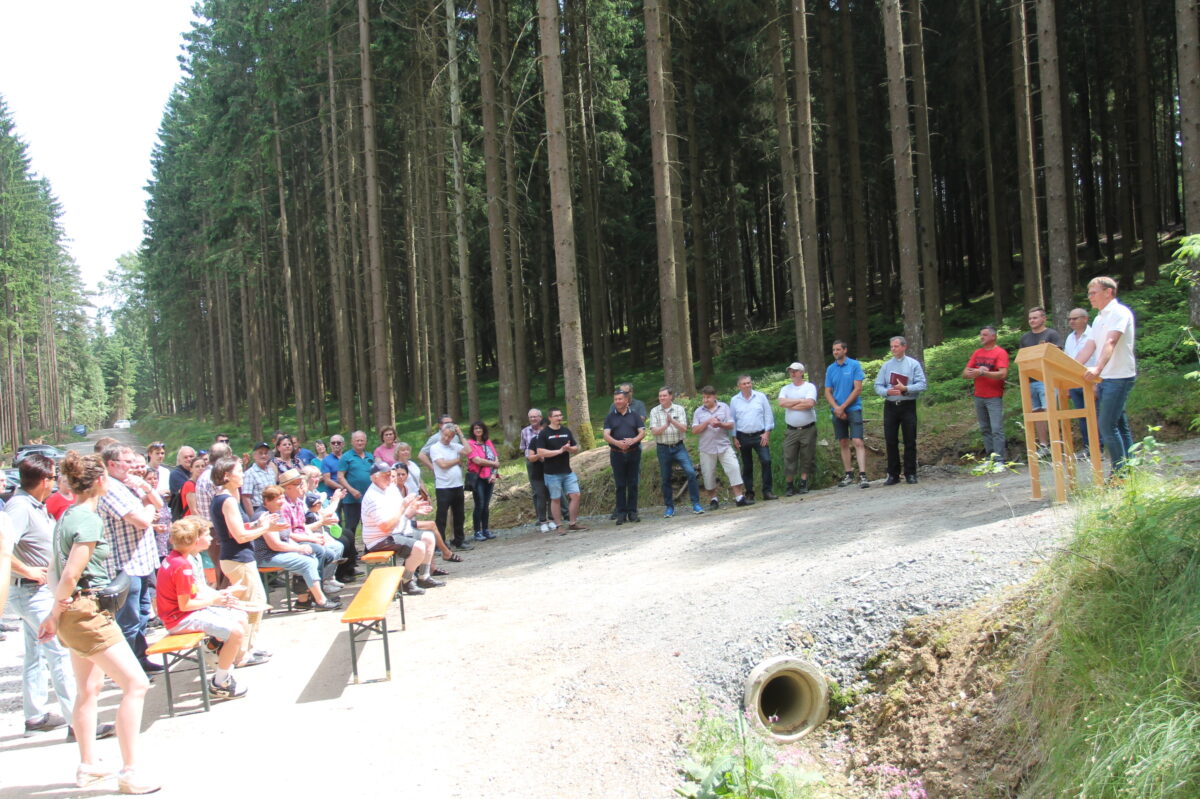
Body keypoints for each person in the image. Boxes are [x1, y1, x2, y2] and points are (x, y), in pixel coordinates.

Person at [37, 451, 159, 794]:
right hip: (84, 611)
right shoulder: (88, 519)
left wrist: (56, 614)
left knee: (88, 690)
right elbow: (70, 574)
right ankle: (131, 772)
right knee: (136, 685)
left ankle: (89, 766)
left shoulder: (68, 515)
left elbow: (53, 569)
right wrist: (55, 613)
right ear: (101, 481)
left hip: (75, 614)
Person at [4, 453, 85, 739]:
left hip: (38, 590)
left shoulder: (34, 505)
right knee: (59, 653)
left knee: (36, 654)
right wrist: (27, 570)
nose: (55, 482)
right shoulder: (19, 508)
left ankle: (35, 716)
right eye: (52, 477)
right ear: (42, 480)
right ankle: (79, 723)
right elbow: (2, 546)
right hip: (30, 592)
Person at [156, 517, 254, 699]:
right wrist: (216, 600)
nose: (211, 539)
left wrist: (223, 595)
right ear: (194, 541)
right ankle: (220, 682)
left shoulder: (181, 558)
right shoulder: (183, 566)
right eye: (207, 535)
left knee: (239, 616)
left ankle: (215, 650)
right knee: (236, 632)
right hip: (179, 619)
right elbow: (185, 605)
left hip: (183, 614)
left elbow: (196, 591)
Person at [97, 445, 165, 674]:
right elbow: (142, 520)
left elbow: (159, 504)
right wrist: (147, 507)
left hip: (142, 562)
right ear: (112, 465)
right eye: (127, 462)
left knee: (144, 613)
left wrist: (145, 486)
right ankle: (128, 670)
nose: (134, 466)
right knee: (129, 620)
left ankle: (141, 659)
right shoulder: (110, 488)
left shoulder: (130, 484)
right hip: (124, 566)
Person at [210, 455, 286, 660]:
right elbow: (239, 536)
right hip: (237, 559)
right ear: (227, 476)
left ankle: (248, 647)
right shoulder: (226, 500)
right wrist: (264, 528)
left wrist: (261, 523)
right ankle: (241, 653)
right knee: (252, 604)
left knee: (254, 602)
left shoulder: (228, 498)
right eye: (239, 471)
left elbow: (241, 528)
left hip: (239, 557)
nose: (243, 474)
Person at [1079, 276, 1137, 474]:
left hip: (1120, 376)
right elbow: (1090, 346)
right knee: (1119, 425)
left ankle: (1120, 474)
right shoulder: (1098, 318)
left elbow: (1110, 342)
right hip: (1106, 378)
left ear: (1108, 292)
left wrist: (1097, 369)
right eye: (1089, 293)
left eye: (1093, 293)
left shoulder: (1119, 312)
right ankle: (1129, 470)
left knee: (1106, 426)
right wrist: (1070, 368)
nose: (1090, 297)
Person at [361, 461, 443, 595]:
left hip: (396, 531)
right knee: (418, 547)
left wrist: (413, 509)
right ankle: (406, 581)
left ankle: (424, 576)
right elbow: (386, 527)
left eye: (390, 474)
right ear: (375, 478)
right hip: (380, 539)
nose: (390, 478)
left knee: (428, 537)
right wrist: (403, 507)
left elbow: (402, 516)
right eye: (386, 475)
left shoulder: (390, 489)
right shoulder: (372, 497)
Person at [255, 486, 341, 611]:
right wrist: (299, 549)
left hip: (279, 551)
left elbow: (286, 536)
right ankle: (320, 601)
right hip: (267, 556)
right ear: (267, 501)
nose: (282, 502)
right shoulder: (264, 516)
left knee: (313, 555)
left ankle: (305, 599)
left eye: (283, 498)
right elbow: (275, 545)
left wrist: (302, 547)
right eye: (278, 499)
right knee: (307, 562)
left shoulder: (277, 512)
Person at [277, 468, 344, 596]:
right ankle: (313, 593)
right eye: (298, 484)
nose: (302, 486)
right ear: (288, 488)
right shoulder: (284, 506)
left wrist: (314, 535)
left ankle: (316, 588)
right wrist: (313, 539)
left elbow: (302, 526)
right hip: (291, 541)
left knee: (329, 551)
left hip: (303, 537)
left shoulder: (296, 502)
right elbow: (287, 534)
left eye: (301, 482)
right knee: (320, 551)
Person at [874, 336, 927, 485]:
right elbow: (877, 385)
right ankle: (893, 474)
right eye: (891, 346)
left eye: (896, 346)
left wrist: (906, 388)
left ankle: (910, 473)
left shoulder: (913, 364)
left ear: (904, 347)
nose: (893, 349)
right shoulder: (886, 366)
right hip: (891, 406)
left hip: (908, 405)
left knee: (909, 439)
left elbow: (922, 384)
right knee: (891, 440)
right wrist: (886, 392)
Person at [692, 386, 752, 509]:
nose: (705, 400)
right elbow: (694, 430)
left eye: (708, 397)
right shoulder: (698, 412)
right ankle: (713, 500)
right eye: (703, 397)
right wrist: (707, 422)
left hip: (724, 445)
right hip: (706, 448)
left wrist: (719, 424)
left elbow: (730, 424)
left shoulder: (724, 407)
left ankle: (739, 497)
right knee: (708, 474)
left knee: (734, 468)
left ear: (714, 397)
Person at [648, 387, 704, 517]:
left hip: (679, 447)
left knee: (690, 472)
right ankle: (669, 507)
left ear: (670, 396)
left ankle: (696, 504)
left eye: (664, 396)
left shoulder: (679, 409)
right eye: (660, 396)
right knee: (665, 478)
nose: (661, 398)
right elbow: (654, 431)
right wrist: (666, 426)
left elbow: (684, 428)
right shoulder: (654, 411)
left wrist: (672, 421)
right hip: (662, 448)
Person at [823, 342, 870, 489]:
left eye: (838, 349)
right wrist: (836, 408)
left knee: (857, 440)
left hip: (853, 408)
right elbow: (827, 391)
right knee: (843, 441)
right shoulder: (831, 369)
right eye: (833, 350)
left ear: (845, 350)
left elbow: (857, 389)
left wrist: (843, 407)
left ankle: (863, 475)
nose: (835, 352)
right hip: (837, 410)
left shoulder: (854, 365)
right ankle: (848, 473)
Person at [393, 461, 458, 566]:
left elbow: (408, 508)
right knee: (430, 527)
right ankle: (445, 553)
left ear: (407, 475)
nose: (400, 477)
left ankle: (434, 565)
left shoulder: (405, 488)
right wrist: (412, 508)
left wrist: (417, 506)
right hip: (397, 523)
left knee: (430, 528)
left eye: (403, 474)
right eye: (398, 474)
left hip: (405, 521)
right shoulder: (393, 490)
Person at [962, 326, 1010, 467]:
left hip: (994, 396)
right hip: (979, 395)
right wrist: (976, 372)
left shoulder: (1000, 353)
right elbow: (965, 373)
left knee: (996, 429)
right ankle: (990, 458)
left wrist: (983, 373)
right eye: (981, 334)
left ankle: (1000, 460)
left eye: (984, 335)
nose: (981, 337)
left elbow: (1002, 374)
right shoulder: (977, 353)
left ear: (993, 336)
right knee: (985, 428)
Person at [536, 408, 588, 532]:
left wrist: (569, 449)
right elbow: (540, 452)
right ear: (550, 418)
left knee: (575, 495)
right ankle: (559, 525)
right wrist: (559, 451)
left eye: (560, 415)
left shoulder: (566, 431)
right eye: (556, 416)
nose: (559, 418)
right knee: (556, 498)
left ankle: (572, 523)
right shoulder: (544, 433)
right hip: (551, 473)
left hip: (567, 471)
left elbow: (576, 448)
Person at [1019, 307, 1062, 450]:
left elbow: (1059, 354)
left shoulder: (1051, 334)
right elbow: (1022, 358)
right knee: (1036, 413)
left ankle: (1056, 442)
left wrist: (1048, 348)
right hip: (1030, 380)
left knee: (1049, 411)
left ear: (1043, 318)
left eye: (1035, 318)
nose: (1032, 320)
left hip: (1047, 379)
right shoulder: (1024, 338)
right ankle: (1044, 444)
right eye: (1030, 318)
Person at [730, 375, 776, 501]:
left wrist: (767, 432)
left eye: (749, 383)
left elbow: (768, 415)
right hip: (742, 436)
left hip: (759, 435)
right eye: (744, 383)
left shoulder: (760, 397)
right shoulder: (734, 400)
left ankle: (767, 491)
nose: (747, 385)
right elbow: (732, 419)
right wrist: (734, 437)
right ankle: (749, 493)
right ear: (739, 386)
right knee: (747, 465)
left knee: (766, 461)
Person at [604, 389, 646, 525]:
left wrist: (633, 440)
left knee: (633, 483)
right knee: (620, 484)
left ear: (626, 400)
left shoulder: (635, 416)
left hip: (633, 452)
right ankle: (621, 513)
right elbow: (606, 435)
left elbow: (642, 432)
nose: (617, 401)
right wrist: (617, 443)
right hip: (617, 454)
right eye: (615, 399)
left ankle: (632, 512)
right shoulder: (610, 417)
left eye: (620, 399)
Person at [335, 430, 372, 581]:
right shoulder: (347, 457)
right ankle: (349, 563)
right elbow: (340, 476)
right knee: (350, 529)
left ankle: (369, 555)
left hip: (368, 500)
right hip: (352, 499)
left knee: (369, 526)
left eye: (362, 440)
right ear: (352, 442)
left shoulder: (370, 456)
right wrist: (350, 490)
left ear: (365, 441)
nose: (359, 442)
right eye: (357, 440)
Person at [429, 423, 472, 550]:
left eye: (450, 436)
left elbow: (469, 451)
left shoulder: (454, 446)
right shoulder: (435, 448)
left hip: (457, 485)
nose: (447, 438)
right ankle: (440, 542)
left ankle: (459, 540)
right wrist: (457, 461)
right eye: (446, 435)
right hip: (443, 487)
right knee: (441, 516)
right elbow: (442, 464)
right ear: (442, 433)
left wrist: (460, 434)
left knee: (459, 515)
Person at [779, 362, 819, 495]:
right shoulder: (785, 389)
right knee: (789, 456)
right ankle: (789, 485)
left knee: (807, 456)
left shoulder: (809, 387)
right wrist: (801, 401)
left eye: (795, 371)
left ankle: (803, 482)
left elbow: (809, 403)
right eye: (790, 371)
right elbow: (782, 403)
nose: (792, 373)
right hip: (791, 429)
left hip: (808, 428)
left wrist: (792, 404)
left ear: (802, 372)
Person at [1064, 307, 1098, 455]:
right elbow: (1066, 360)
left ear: (1085, 319)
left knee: (1095, 415)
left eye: (1075, 318)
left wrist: (1097, 382)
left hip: (1091, 380)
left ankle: (1099, 448)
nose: (1071, 322)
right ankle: (1088, 448)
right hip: (1073, 382)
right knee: (1082, 417)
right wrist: (1065, 384)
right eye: (1070, 319)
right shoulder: (1069, 338)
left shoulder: (1093, 334)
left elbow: (1097, 358)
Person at [466, 421, 502, 540]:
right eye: (475, 428)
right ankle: (477, 531)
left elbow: (496, 458)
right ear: (472, 430)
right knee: (479, 504)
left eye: (480, 428)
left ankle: (485, 529)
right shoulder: (470, 444)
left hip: (489, 477)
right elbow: (477, 460)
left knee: (486, 505)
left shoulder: (488, 442)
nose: (478, 430)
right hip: (478, 478)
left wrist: (494, 473)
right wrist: (493, 464)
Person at [521, 409, 553, 532]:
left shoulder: (547, 430)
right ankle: (541, 519)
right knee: (538, 491)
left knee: (551, 490)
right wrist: (534, 456)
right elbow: (523, 448)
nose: (533, 419)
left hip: (548, 463)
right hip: (533, 464)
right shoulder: (525, 432)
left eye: (536, 417)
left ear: (540, 417)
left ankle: (552, 517)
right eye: (531, 417)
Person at [240, 442, 276, 517]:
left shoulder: (271, 471)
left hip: (274, 508)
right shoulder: (250, 473)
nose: (263, 456)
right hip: (259, 510)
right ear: (254, 455)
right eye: (260, 453)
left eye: (266, 453)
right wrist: (253, 518)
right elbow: (246, 497)